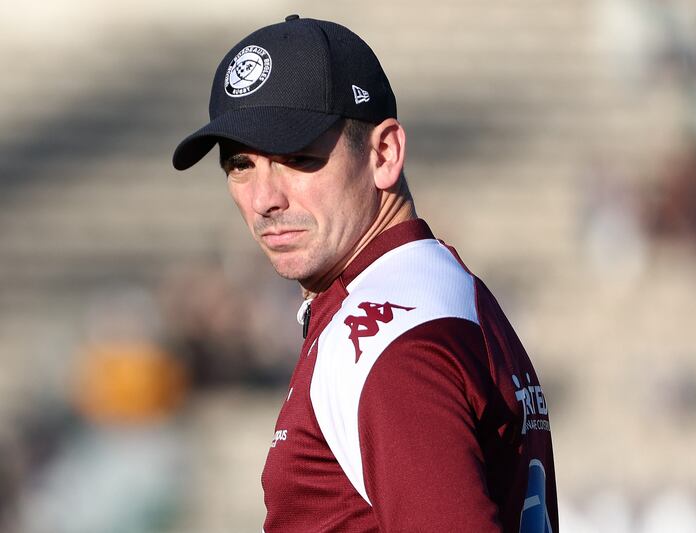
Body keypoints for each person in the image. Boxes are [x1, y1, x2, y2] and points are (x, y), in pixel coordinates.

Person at [172, 15, 558, 532]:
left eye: (297, 158)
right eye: (241, 164)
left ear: (384, 153)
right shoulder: (434, 288)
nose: (264, 199)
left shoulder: (391, 342)